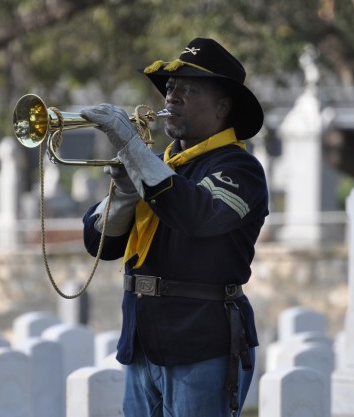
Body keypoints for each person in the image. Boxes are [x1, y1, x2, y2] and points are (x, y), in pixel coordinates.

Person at [80, 37, 268, 417]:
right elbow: (98, 242)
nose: (172, 97)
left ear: (223, 107)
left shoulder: (239, 169)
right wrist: (125, 191)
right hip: (143, 338)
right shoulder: (160, 164)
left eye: (189, 89)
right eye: (170, 88)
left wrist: (133, 151)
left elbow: (196, 214)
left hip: (201, 340)